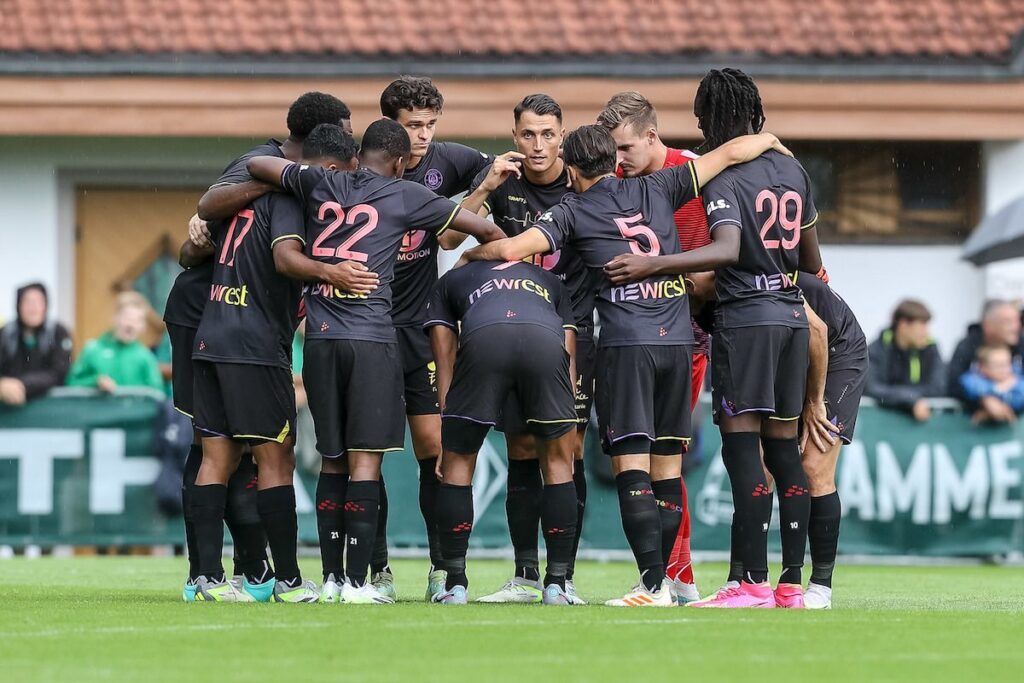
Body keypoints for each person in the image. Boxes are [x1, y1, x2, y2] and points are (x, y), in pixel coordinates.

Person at [459, 123, 787, 607]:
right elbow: (733, 151)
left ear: (571, 168)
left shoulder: (570, 209)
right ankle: (665, 583)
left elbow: (510, 250)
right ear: (611, 162)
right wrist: (774, 142)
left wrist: (473, 255)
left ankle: (652, 585)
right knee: (668, 467)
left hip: (627, 346)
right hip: (679, 343)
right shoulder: (660, 185)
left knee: (632, 464)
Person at [248, 119, 504, 604]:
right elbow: (484, 228)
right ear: (403, 163)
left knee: (331, 460)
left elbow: (260, 165)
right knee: (366, 463)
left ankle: (328, 580)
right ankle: (361, 584)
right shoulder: (405, 195)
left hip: (320, 340)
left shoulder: (320, 179)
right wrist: (475, 260)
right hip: (372, 339)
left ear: (359, 153)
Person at [602, 68, 825, 608]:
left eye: (702, 116)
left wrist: (656, 266)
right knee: (784, 454)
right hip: (789, 315)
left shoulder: (715, 176)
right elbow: (813, 264)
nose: (698, 125)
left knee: (735, 451)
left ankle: (739, 581)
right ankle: (791, 582)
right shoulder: (793, 172)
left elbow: (725, 251)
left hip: (737, 321)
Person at [170, 91, 357, 602]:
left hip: (213, 327)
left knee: (216, 456)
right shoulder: (288, 195)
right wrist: (331, 271)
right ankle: (290, 582)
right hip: (253, 341)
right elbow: (284, 259)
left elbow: (198, 237)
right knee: (275, 459)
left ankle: (205, 579)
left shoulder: (249, 193)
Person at [459, 94, 595, 604]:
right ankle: (523, 574)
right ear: (515, 137)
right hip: (514, 331)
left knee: (567, 451)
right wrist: (485, 185)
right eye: (528, 134)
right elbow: (450, 237)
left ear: (563, 136)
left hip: (574, 332)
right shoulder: (504, 185)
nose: (538, 145)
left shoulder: (582, 181)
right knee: (519, 449)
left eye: (548, 134)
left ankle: (564, 577)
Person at [377, 75, 494, 599]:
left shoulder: (450, 161)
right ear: (389, 127)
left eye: (429, 124)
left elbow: (501, 171)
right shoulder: (366, 167)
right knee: (366, 451)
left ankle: (441, 567)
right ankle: (373, 564)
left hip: (422, 327)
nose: (422, 136)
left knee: (434, 447)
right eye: (412, 126)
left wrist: (485, 196)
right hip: (370, 325)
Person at [596, 91, 711, 603]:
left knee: (660, 460)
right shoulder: (617, 184)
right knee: (653, 460)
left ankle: (666, 577)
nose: (619, 162)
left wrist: (672, 279)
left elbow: (724, 256)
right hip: (638, 336)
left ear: (652, 135)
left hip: (692, 338)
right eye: (612, 151)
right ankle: (677, 576)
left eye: (625, 148)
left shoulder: (694, 175)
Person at [425, 260, 580, 605]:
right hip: (544, 343)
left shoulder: (452, 279)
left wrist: (448, 422)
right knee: (557, 465)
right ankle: (556, 584)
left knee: (459, 465)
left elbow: (443, 347)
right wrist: (564, 420)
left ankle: (455, 584)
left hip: (485, 339)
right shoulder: (548, 279)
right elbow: (568, 348)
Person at [67, 292, 164, 393]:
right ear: (115, 318)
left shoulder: (146, 357)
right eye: (127, 317)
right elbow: (72, 383)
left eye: (137, 320)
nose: (130, 324)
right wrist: (95, 381)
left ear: (143, 326)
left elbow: (157, 394)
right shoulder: (92, 350)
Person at [865, 299, 946, 421]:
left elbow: (938, 387)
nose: (926, 333)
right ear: (903, 325)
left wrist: (907, 397)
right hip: (884, 426)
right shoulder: (877, 349)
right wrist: (910, 399)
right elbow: (871, 387)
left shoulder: (931, 348)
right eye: (922, 326)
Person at [0, 283, 72, 406]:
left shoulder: (58, 332)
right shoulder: (6, 333)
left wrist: (21, 385)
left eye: (39, 301)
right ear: (18, 305)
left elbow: (60, 372)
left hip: (49, 408)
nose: (33, 307)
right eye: (27, 302)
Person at [947, 300, 1024, 405]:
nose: (1016, 327)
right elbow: (953, 385)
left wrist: (1009, 405)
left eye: (1017, 321)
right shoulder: (967, 346)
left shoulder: (1021, 345)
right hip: (972, 419)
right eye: (1008, 322)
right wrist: (982, 401)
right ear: (988, 325)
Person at [959, 345, 1024, 423]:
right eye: (998, 366)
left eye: (1007, 364)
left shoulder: (1017, 380)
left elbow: (1020, 399)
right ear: (982, 367)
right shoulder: (975, 379)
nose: (1004, 370)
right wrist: (996, 389)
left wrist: (1001, 408)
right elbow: (968, 385)